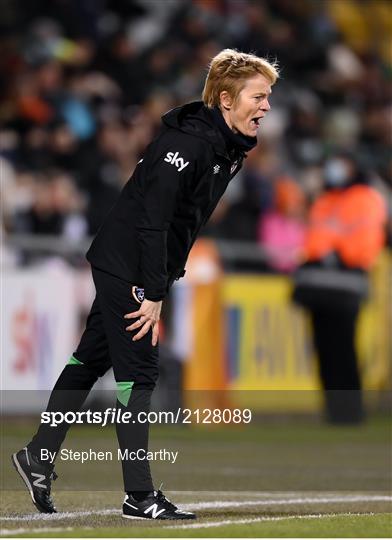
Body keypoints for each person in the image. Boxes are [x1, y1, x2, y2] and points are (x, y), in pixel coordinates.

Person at [12, 49, 279, 520]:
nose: (266, 107)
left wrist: (161, 278)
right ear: (224, 99)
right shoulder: (192, 146)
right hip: (130, 264)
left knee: (89, 359)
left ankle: (38, 455)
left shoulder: (225, 146)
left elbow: (175, 222)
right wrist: (154, 291)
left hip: (132, 262)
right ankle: (139, 495)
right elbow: (153, 223)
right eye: (259, 96)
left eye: (268, 96)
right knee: (140, 374)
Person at [293, 152, 387, 423]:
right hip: (318, 286)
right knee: (324, 350)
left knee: (344, 349)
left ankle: (351, 411)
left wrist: (336, 254)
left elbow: (367, 241)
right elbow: (312, 238)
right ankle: (334, 411)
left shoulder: (365, 198)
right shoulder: (324, 199)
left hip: (346, 284)